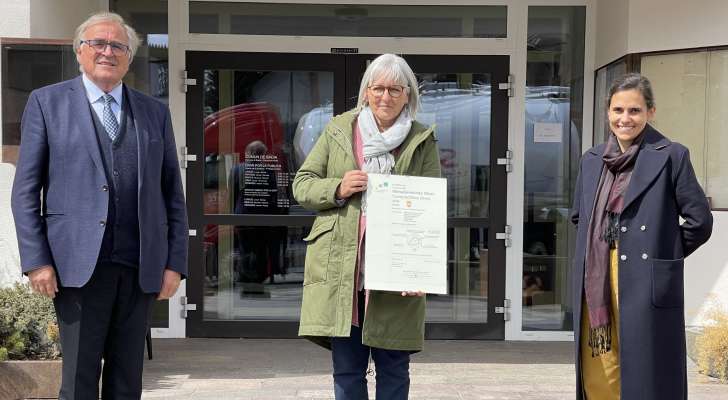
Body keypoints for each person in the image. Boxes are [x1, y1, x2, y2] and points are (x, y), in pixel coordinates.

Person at [11, 12, 188, 399]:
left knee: (128, 382)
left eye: (118, 46)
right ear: (80, 52)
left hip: (139, 268)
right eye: (98, 43)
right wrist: (37, 261)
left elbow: (172, 194)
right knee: (78, 381)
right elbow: (25, 191)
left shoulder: (153, 112)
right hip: (75, 270)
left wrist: (175, 264)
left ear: (128, 57)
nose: (108, 51)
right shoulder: (47, 103)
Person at [293, 53, 440, 399]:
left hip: (394, 274)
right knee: (347, 371)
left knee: (394, 369)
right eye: (378, 88)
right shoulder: (339, 129)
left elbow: (430, 207)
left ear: (408, 95)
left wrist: (419, 270)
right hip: (344, 271)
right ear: (366, 92)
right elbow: (302, 184)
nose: (385, 97)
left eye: (394, 89)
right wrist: (337, 188)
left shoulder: (422, 138)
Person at [570, 73, 712, 399]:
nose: (625, 119)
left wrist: (662, 253)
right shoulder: (592, 160)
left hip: (645, 277)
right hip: (597, 276)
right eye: (618, 110)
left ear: (650, 112)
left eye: (634, 110)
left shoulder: (671, 155)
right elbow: (580, 216)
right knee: (599, 366)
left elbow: (699, 221)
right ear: (607, 112)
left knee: (645, 372)